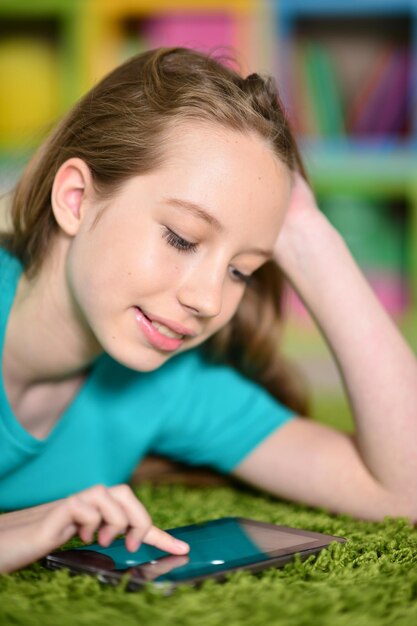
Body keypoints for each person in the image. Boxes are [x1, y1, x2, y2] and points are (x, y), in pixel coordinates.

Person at [0, 48, 416, 575]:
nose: (209, 301)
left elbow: (408, 489)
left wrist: (311, 238)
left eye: (240, 270)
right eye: (181, 238)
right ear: (77, 198)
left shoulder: (168, 383)